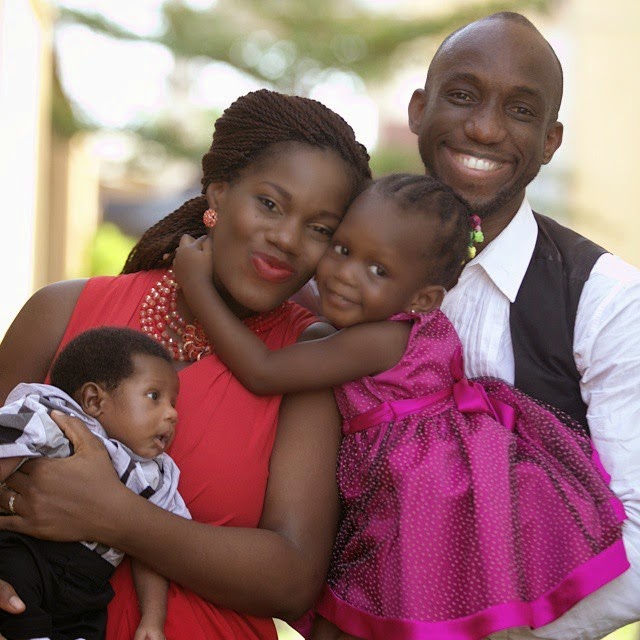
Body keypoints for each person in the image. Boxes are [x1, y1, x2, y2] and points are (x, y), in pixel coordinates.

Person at [170, 172, 628, 640]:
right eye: (343, 250)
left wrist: (198, 287)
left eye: (378, 270)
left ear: (422, 299)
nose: (344, 274)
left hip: (416, 496)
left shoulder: (381, 337)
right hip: (415, 482)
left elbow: (263, 371)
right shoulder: (378, 321)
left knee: (376, 617)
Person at [0, 88, 372, 639]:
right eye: (270, 203)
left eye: (320, 228)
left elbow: (293, 577)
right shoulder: (60, 311)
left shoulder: (309, 361)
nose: (288, 239)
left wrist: (115, 515)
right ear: (218, 192)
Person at [405, 11, 640, 640]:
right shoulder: (346, 263)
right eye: (461, 96)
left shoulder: (606, 300)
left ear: (551, 141)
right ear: (417, 110)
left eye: (520, 110)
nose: (483, 128)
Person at [0, 326, 189, 640]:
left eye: (174, 403)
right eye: (154, 397)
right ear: (93, 399)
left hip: (88, 587)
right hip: (27, 553)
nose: (172, 414)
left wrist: (152, 621)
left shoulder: (157, 476)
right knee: (20, 609)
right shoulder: (51, 418)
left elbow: (152, 549)